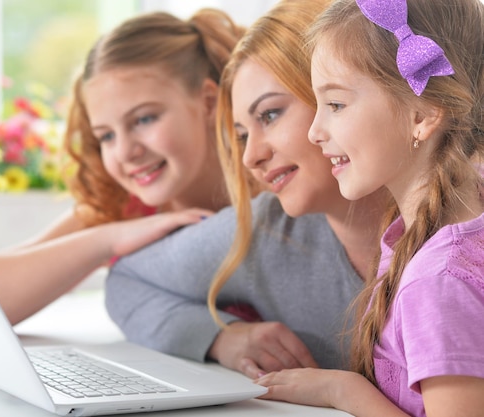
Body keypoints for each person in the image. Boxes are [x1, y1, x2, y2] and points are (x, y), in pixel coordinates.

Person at [105, 0, 388, 378]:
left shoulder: (462, 231)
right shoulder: (264, 234)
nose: (250, 156)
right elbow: (126, 282)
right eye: (240, 135)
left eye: (270, 114)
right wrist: (222, 338)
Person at [254, 0, 484, 416]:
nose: (314, 131)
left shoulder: (437, 284)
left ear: (423, 114)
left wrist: (345, 392)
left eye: (336, 105)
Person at [0, 8, 246, 325]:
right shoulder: (127, 206)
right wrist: (107, 241)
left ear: (208, 102)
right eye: (106, 136)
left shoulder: (273, 190)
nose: (125, 152)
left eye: (144, 119)